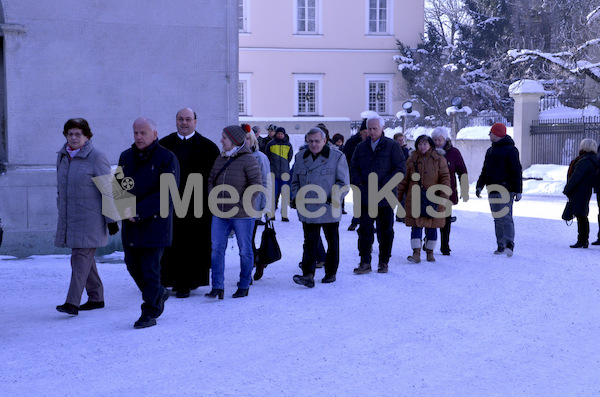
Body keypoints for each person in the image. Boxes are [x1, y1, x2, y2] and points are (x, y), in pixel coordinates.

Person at [119, 117, 180, 328]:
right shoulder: (126, 157)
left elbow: (167, 192)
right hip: (131, 224)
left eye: (143, 132)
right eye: (136, 132)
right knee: (132, 266)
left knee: (150, 269)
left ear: (155, 134)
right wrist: (122, 209)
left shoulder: (166, 157)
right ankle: (159, 294)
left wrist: (139, 211)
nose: (138, 136)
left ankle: (150, 311)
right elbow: (119, 188)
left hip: (155, 224)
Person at [55, 118, 119, 316]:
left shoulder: (97, 157)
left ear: (87, 137)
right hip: (71, 218)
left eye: (78, 134)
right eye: (70, 133)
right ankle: (96, 297)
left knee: (79, 259)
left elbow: (110, 189)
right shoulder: (63, 156)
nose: (73, 137)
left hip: (91, 219)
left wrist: (113, 220)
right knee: (85, 260)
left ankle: (72, 303)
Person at [158, 108, 219, 298]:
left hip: (198, 206)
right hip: (170, 204)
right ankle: (172, 280)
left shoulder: (209, 147)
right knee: (172, 243)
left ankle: (191, 280)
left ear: (195, 122)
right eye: (180, 119)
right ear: (175, 121)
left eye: (188, 119)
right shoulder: (164, 145)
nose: (184, 123)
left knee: (195, 243)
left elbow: (215, 178)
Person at [206, 125, 262, 299]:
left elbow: (256, 185)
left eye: (224, 137)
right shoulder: (220, 158)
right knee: (216, 250)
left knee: (245, 250)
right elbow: (210, 181)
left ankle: (244, 285)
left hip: (243, 214)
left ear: (234, 140)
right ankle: (217, 287)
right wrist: (212, 199)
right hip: (219, 213)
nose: (221, 140)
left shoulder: (248, 159)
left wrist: (240, 203)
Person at [291, 127, 350, 287]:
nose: (314, 144)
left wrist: (332, 198)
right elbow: (294, 182)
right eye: (311, 141)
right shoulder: (300, 157)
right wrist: (295, 198)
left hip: (328, 207)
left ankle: (331, 272)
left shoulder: (337, 157)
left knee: (332, 241)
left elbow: (344, 183)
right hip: (308, 207)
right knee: (310, 242)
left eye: (317, 141)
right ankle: (308, 275)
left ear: (324, 141)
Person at [351, 115, 406, 274]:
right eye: (370, 128)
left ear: (382, 129)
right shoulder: (361, 147)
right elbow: (353, 168)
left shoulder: (392, 146)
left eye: (375, 128)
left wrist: (383, 184)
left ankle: (383, 261)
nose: (372, 131)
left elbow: (400, 169)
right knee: (364, 230)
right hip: (366, 197)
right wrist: (359, 184)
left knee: (386, 231)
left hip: (385, 197)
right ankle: (365, 262)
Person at [397, 135, 450, 263]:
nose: (422, 146)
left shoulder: (439, 159)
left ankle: (430, 252)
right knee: (416, 225)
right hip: (415, 198)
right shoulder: (412, 160)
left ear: (430, 145)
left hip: (434, 198)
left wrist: (444, 196)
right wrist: (397, 196)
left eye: (425, 144)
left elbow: (445, 178)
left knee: (432, 226)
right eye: (420, 144)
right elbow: (404, 180)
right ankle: (416, 253)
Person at [476, 123, 523, 257]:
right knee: (497, 217)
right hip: (492, 188)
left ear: (496, 134)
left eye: (491, 132)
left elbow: (516, 170)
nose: (489, 135)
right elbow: (485, 170)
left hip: (506, 189)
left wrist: (518, 190)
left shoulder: (511, 150)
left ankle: (509, 243)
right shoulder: (490, 151)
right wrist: (480, 185)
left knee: (505, 217)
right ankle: (500, 244)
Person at [431, 127, 468, 255]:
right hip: (430, 192)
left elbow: (462, 170)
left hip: (448, 191)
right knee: (430, 217)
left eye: (439, 140)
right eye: (435, 140)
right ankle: (429, 242)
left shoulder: (453, 152)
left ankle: (445, 245)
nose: (437, 142)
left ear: (445, 139)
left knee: (446, 219)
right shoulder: (429, 152)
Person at [244, 126, 271, 280]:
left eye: (248, 138)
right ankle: (256, 261)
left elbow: (266, 182)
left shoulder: (260, 157)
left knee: (248, 239)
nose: (245, 142)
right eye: (243, 139)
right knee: (246, 239)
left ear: (253, 140)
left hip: (255, 204)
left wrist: (266, 206)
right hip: (238, 204)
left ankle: (254, 265)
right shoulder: (236, 156)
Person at [563, 138, 599, 248]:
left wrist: (567, 189)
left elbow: (576, 176)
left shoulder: (584, 160)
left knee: (581, 215)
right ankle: (583, 239)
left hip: (580, 190)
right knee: (581, 214)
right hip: (584, 189)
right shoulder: (592, 159)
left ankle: (582, 240)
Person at [344, 119, 369, 231]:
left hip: (372, 178)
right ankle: (356, 220)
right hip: (356, 176)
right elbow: (345, 159)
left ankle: (367, 223)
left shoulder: (376, 142)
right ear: (360, 131)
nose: (367, 135)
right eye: (365, 132)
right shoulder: (352, 142)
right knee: (358, 200)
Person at [265, 126, 293, 221]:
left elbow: (289, 157)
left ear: (284, 135)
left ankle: (284, 215)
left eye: (282, 134)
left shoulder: (288, 145)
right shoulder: (270, 144)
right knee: (273, 195)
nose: (280, 135)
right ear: (276, 134)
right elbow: (267, 157)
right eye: (278, 134)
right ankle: (272, 214)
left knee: (285, 196)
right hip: (273, 174)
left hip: (284, 174)